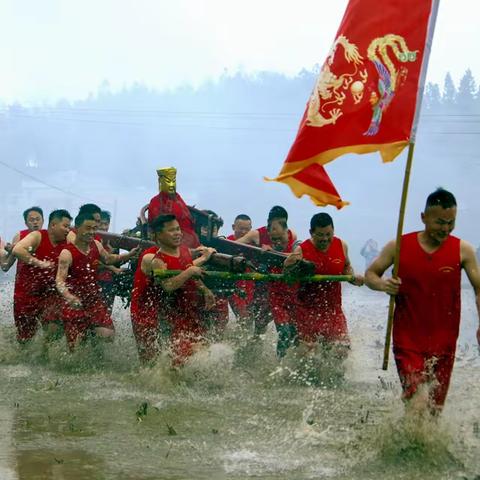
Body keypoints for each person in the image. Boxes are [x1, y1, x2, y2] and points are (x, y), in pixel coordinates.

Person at [365, 188, 480, 415]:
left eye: (451, 222)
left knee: (433, 411)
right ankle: (406, 447)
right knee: (417, 402)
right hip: (408, 340)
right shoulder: (398, 245)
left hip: (445, 342)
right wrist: (384, 285)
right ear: (423, 217)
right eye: (439, 222)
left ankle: (420, 447)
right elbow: (371, 275)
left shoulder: (462, 250)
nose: (445, 229)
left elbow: (478, 288)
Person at [131, 214, 215, 364]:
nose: (177, 233)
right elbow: (168, 285)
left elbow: (189, 269)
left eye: (178, 229)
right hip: (148, 311)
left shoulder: (183, 250)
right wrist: (191, 271)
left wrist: (206, 290)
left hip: (175, 308)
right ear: (157, 235)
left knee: (192, 350)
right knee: (153, 361)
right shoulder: (152, 258)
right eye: (171, 230)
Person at [56, 212, 139, 351]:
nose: (91, 232)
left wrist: (129, 255)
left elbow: (108, 259)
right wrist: (69, 296)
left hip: (94, 301)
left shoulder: (96, 245)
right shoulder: (67, 253)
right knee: (76, 348)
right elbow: (59, 280)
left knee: (108, 334)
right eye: (88, 228)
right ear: (77, 228)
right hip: (73, 303)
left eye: (94, 228)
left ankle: (91, 340)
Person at [284, 213, 363, 351]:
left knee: (342, 351)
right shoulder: (301, 251)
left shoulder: (342, 245)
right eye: (320, 235)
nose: (325, 239)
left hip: (333, 311)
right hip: (306, 311)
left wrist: (353, 278)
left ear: (333, 230)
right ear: (311, 233)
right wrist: (288, 267)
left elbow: (346, 267)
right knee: (308, 355)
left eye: (329, 234)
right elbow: (288, 280)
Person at [11, 209, 72, 343]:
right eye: (65, 226)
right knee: (25, 337)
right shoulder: (37, 236)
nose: (68, 230)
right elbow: (17, 250)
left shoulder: (67, 240)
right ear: (53, 225)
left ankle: (44, 354)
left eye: (69, 226)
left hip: (50, 294)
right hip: (26, 293)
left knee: (54, 329)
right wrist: (38, 263)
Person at [265, 219, 299, 357]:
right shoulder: (264, 249)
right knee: (284, 333)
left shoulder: (297, 245)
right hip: (277, 299)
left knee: (297, 336)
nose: (278, 242)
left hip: (297, 299)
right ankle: (280, 365)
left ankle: (295, 367)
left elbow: (298, 257)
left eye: (280, 238)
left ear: (287, 232)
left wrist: (272, 252)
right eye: (274, 239)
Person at [147, 167, 200, 247]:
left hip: (190, 240)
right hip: (172, 244)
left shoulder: (177, 198)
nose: (171, 185)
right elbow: (160, 229)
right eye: (168, 181)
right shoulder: (156, 202)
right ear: (161, 181)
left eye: (173, 181)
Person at [226, 214, 254, 326]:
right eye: (240, 228)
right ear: (233, 227)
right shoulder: (226, 243)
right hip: (233, 286)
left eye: (247, 229)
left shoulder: (254, 244)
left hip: (250, 285)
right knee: (243, 316)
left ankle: (248, 341)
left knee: (251, 317)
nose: (243, 232)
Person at [1, 206, 44, 273]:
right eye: (31, 220)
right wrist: (10, 251)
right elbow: (5, 266)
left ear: (43, 221)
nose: (35, 222)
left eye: (38, 219)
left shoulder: (50, 236)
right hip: (23, 281)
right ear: (26, 223)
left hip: (46, 281)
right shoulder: (19, 236)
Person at [97, 210, 124, 313]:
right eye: (101, 223)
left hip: (109, 284)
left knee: (107, 313)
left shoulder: (113, 241)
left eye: (106, 224)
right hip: (95, 282)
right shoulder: (92, 240)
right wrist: (112, 268)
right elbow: (93, 262)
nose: (104, 227)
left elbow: (117, 262)